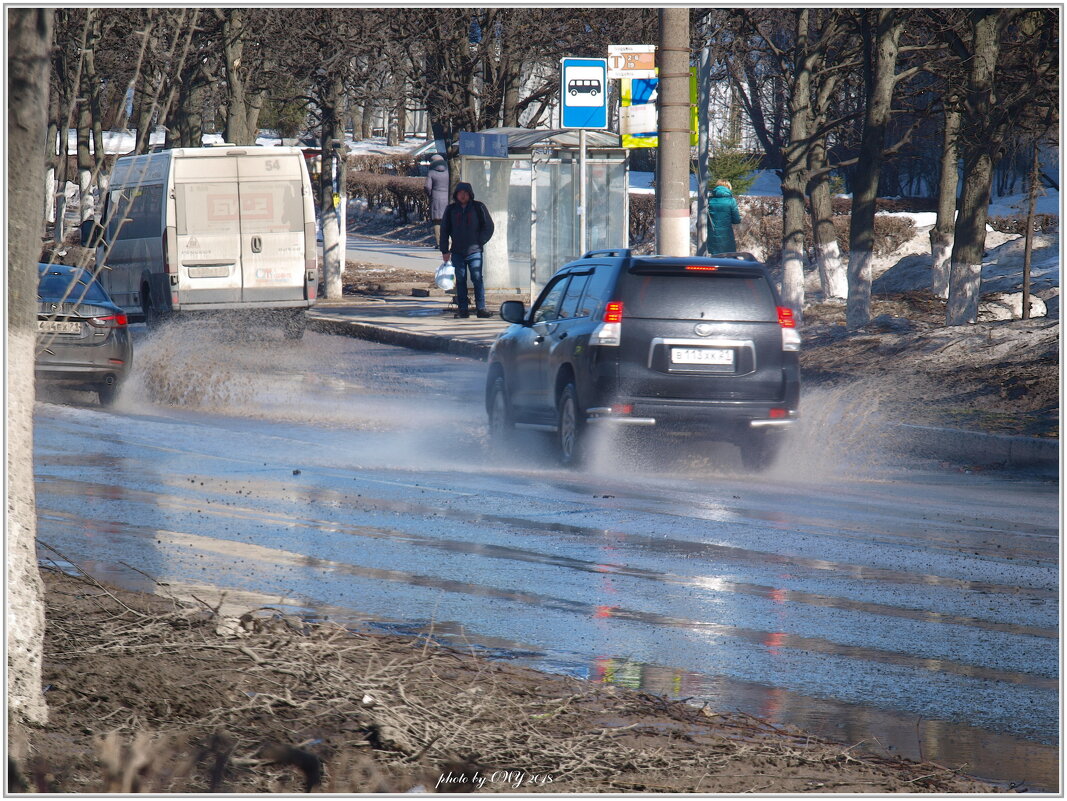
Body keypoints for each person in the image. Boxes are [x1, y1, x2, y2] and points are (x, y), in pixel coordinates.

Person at [439, 181, 495, 318]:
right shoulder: (451, 210)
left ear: (470, 194)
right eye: (460, 193)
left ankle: (481, 308)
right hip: (457, 251)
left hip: (475, 251)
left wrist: (480, 241)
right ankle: (463, 310)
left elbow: (489, 226)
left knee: (477, 278)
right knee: (461, 279)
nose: (463, 196)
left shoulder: (478, 207)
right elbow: (444, 230)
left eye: (465, 193)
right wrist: (444, 250)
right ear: (456, 195)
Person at [706, 179, 742, 254]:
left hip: (712, 234)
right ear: (728, 188)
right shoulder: (731, 201)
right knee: (728, 258)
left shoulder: (709, 200)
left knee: (713, 257)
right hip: (726, 235)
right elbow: (736, 220)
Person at [424, 154, 449, 247]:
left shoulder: (431, 172)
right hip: (447, 198)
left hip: (435, 198)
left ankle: (439, 243)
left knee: (437, 222)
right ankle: (448, 242)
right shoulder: (448, 172)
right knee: (447, 221)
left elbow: (427, 186)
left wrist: (430, 194)